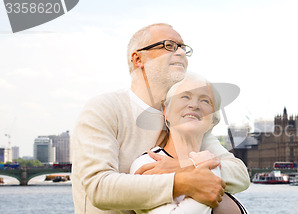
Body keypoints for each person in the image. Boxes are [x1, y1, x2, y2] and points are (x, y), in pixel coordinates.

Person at [71, 23, 250, 214]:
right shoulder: (105, 108)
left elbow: (239, 173)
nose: (181, 52)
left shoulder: (185, 120)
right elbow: (99, 188)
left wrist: (185, 166)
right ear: (138, 58)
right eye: (169, 46)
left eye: (183, 47)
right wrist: (181, 181)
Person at [129, 74, 247, 214]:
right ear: (166, 111)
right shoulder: (148, 163)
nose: (194, 105)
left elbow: (242, 177)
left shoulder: (214, 160)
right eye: (185, 97)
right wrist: (207, 167)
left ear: (213, 121)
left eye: (205, 100)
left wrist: (190, 166)